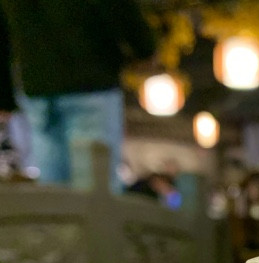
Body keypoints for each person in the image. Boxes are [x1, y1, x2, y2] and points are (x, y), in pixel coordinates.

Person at [0, 0, 157, 192]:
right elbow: (119, 7)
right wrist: (144, 48)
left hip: (38, 85)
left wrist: (5, 96)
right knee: (95, 187)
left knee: (52, 189)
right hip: (90, 80)